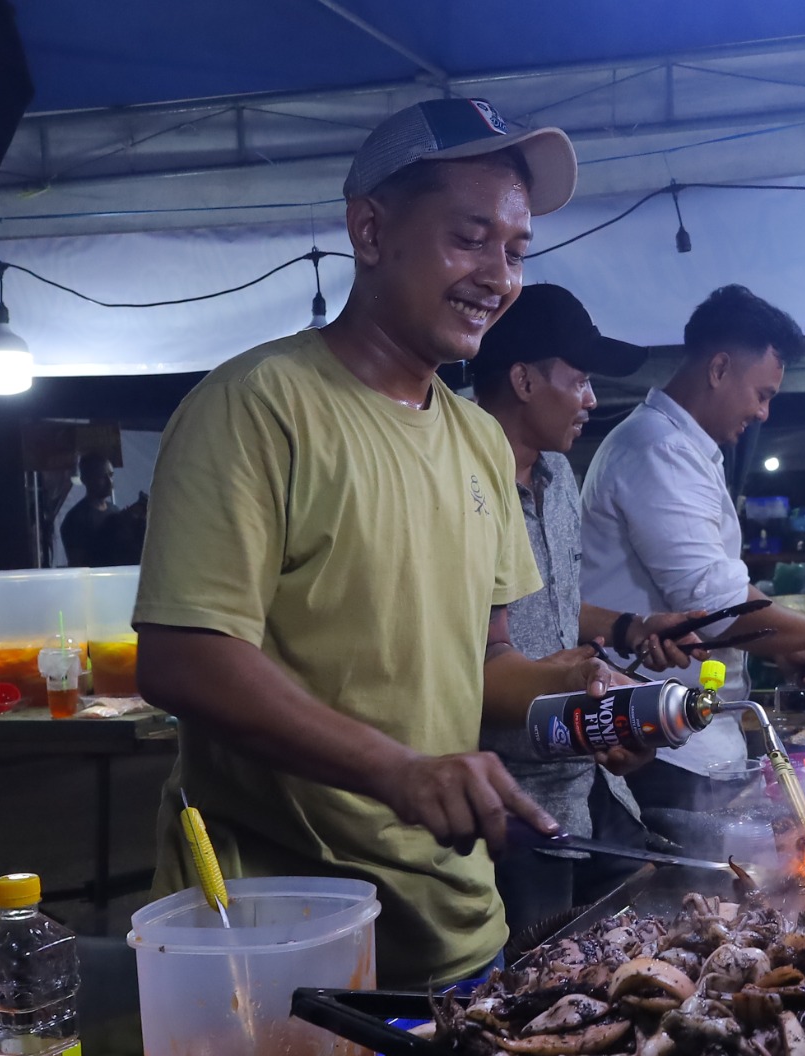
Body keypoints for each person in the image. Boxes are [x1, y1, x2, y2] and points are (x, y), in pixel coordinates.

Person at [132, 97, 618, 990]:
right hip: (287, 946)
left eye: (515, 251)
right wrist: (398, 772)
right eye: (470, 237)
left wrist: (577, 690)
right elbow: (183, 658)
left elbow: (486, 661)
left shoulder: (477, 437)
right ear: (370, 229)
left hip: (461, 931)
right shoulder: (257, 406)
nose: (498, 276)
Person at [470, 282, 710, 934]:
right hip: (509, 803)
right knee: (541, 988)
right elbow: (470, 656)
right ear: (521, 380)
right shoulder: (455, 479)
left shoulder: (557, 478)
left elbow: (552, 604)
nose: (591, 400)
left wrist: (631, 629)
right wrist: (577, 684)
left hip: (585, 782)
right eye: (578, 380)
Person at [580, 284, 805, 811]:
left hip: (691, 737)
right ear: (718, 369)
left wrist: (792, 645)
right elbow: (714, 609)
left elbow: (721, 582)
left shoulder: (687, 449)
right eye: (761, 394)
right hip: (658, 748)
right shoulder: (658, 449)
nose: (763, 414)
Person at [59, 451, 118, 566]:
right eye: (102, 476)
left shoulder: (115, 511)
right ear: (86, 479)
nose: (109, 482)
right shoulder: (75, 519)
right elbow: (77, 565)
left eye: (111, 475)